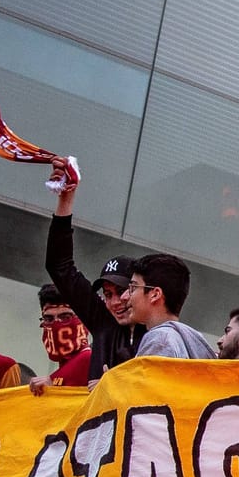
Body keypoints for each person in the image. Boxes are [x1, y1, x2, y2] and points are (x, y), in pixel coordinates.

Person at [43, 158, 147, 382]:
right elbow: (59, 266)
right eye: (108, 295)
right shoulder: (102, 322)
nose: (115, 302)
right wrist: (65, 198)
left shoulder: (162, 335)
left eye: (121, 291)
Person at [126, 254, 217, 359]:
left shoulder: (160, 340)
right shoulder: (191, 343)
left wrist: (112, 376)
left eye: (134, 287)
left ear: (155, 294)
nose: (127, 295)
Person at [28, 283, 94, 394]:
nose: (57, 325)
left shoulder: (89, 359)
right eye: (49, 318)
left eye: (65, 317)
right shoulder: (64, 368)